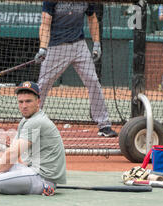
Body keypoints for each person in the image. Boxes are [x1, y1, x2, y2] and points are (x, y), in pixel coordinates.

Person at [34, 1, 117, 137]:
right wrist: (43, 48)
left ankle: (104, 125)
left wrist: (96, 44)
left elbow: (92, 18)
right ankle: (32, 122)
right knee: (43, 85)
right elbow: (45, 23)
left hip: (79, 45)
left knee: (93, 81)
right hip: (56, 47)